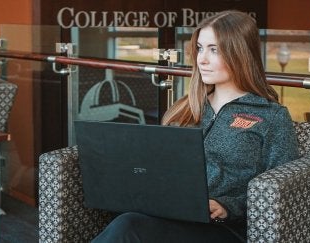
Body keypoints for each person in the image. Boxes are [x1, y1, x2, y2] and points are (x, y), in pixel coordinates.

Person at [91, 10, 299, 243]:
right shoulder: (186, 108)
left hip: (225, 229)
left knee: (129, 227)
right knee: (128, 222)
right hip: (169, 215)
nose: (202, 59)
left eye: (214, 50)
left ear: (240, 53)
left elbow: (286, 190)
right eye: (200, 48)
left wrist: (228, 206)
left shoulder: (270, 116)